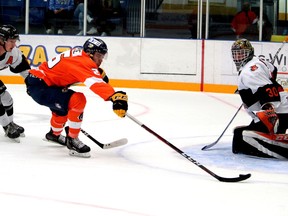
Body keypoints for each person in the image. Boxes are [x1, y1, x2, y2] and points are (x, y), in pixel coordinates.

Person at [25, 37, 128, 158]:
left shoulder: (80, 55)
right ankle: (73, 140)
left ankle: (54, 135)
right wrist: (114, 97)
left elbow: (74, 70)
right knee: (77, 100)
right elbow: (95, 83)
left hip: (42, 84)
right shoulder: (83, 62)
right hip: (42, 87)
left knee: (61, 109)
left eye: (102, 56)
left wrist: (97, 72)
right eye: (99, 55)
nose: (100, 60)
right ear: (90, 53)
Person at [231, 38, 288, 159]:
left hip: (279, 112)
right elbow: (273, 69)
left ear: (249, 52)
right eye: (236, 54)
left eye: (242, 53)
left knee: (245, 138)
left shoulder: (249, 72)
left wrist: (270, 115)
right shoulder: (257, 61)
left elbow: (269, 94)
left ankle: (280, 148)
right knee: (238, 135)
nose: (238, 57)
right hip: (282, 107)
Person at [0, 25, 30, 142]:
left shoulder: (13, 53)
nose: (14, 45)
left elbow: (24, 69)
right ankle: (6, 125)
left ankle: (10, 124)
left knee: (7, 99)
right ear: (1, 40)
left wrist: (31, 84)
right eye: (11, 41)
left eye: (15, 41)